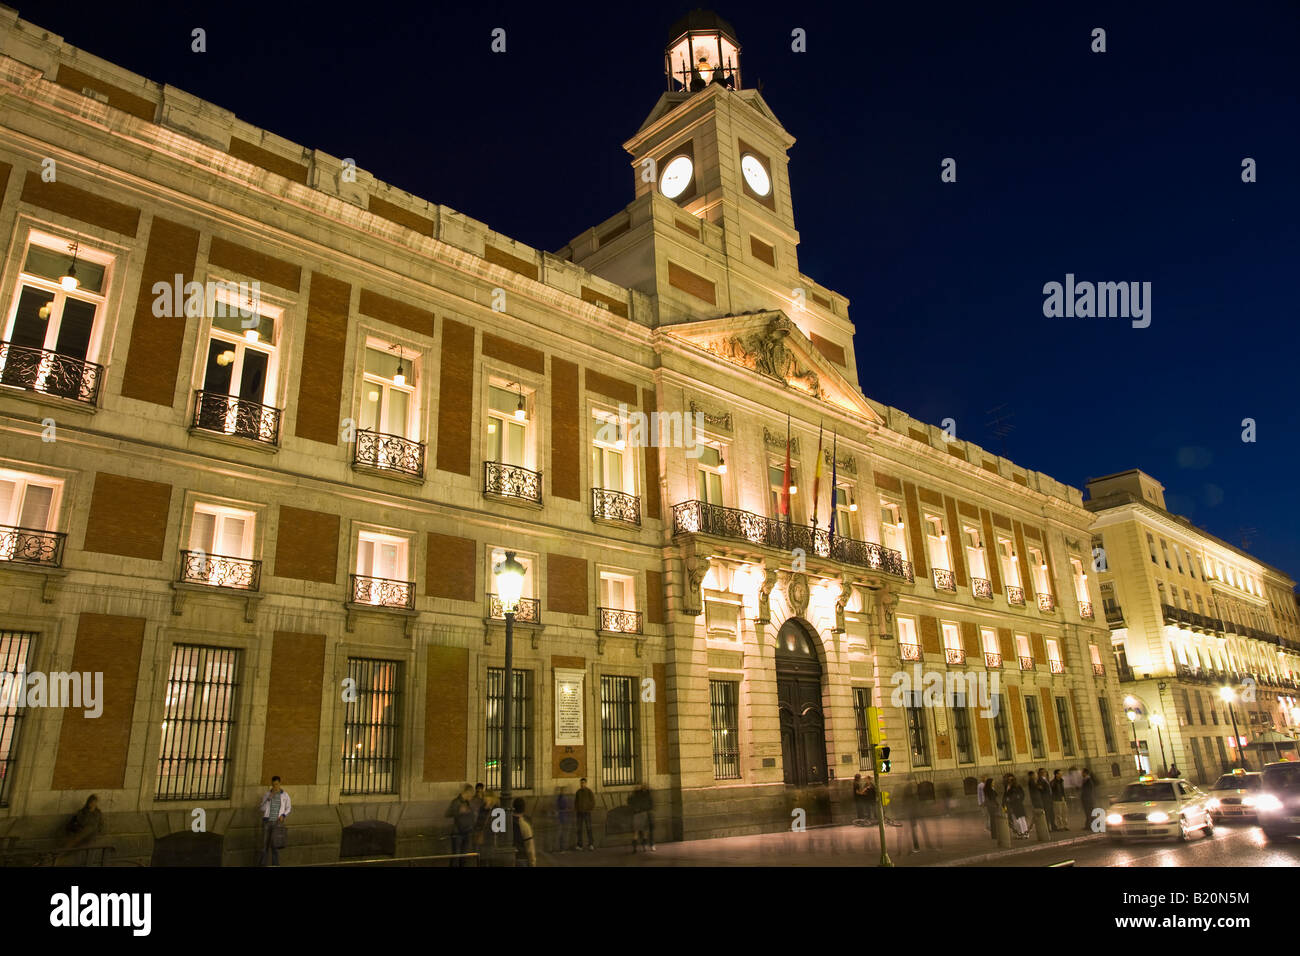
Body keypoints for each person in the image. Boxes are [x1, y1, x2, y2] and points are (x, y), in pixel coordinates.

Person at [258, 776, 291, 866]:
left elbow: (288, 808)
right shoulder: (267, 794)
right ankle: (262, 864)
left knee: (275, 846)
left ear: (280, 783)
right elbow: (262, 808)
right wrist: (269, 798)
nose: (275, 786)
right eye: (273, 785)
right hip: (267, 821)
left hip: (277, 822)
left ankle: (275, 865)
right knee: (264, 846)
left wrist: (283, 815)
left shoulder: (285, 795)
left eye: (276, 784)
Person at [445, 783, 476, 866]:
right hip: (458, 833)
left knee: (464, 856)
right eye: (471, 793)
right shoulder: (456, 802)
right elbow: (448, 814)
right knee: (456, 855)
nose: (472, 796)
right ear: (467, 792)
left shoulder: (468, 803)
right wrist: (459, 811)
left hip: (467, 832)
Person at [628, 784, 654, 852]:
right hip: (643, 814)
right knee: (645, 831)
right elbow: (649, 805)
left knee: (636, 833)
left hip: (636, 815)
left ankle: (635, 848)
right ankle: (644, 847)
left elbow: (630, 803)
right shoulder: (643, 795)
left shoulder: (632, 796)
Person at [511, 797, 536, 867]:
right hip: (521, 859)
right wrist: (532, 863)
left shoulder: (507, 822)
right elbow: (530, 847)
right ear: (524, 808)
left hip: (509, 858)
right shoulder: (525, 825)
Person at [1004, 774, 1028, 838]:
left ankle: (1024, 833)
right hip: (1012, 805)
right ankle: (1021, 833)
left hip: (1017, 804)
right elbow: (1005, 795)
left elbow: (1021, 794)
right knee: (1016, 819)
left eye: (1011, 780)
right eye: (1008, 779)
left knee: (1020, 819)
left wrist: (1012, 799)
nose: (1009, 781)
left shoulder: (1016, 786)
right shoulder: (1007, 786)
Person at [574, 777, 596, 850]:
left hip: (587, 813)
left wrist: (589, 809)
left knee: (589, 828)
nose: (582, 784)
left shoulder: (589, 791)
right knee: (579, 829)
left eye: (583, 783)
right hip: (579, 813)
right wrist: (577, 809)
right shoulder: (578, 792)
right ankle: (580, 845)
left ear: (586, 783)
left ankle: (591, 844)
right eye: (581, 783)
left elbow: (593, 802)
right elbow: (576, 802)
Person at [552, 786, 572, 853]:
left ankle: (561, 848)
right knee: (561, 833)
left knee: (561, 833)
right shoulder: (561, 798)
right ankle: (561, 848)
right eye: (564, 790)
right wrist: (566, 809)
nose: (565, 792)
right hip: (562, 817)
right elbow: (562, 807)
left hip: (562, 817)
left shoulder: (560, 798)